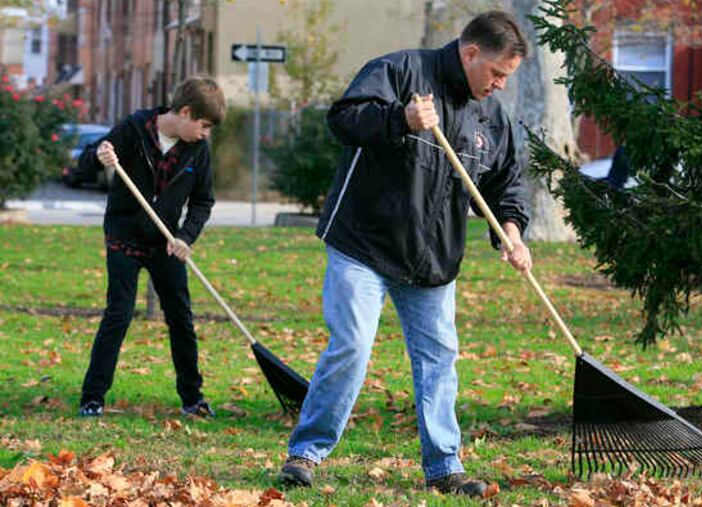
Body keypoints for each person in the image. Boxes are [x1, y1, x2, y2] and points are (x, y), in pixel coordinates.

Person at [277, 10, 532, 498]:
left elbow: (507, 186)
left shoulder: (491, 118)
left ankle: (444, 467)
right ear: (471, 52)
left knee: (439, 358)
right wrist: (402, 118)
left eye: (507, 77)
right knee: (352, 345)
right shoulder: (400, 72)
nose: (499, 85)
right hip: (364, 245)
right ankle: (306, 453)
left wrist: (512, 234)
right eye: (496, 73)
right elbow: (343, 119)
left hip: (433, 260)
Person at [78, 75, 225, 419]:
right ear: (185, 112)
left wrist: (186, 237)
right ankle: (92, 397)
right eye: (203, 125)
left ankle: (192, 398)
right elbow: (87, 159)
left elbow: (203, 202)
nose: (205, 134)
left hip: (166, 243)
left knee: (181, 318)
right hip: (124, 236)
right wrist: (100, 155)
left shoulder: (197, 151)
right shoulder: (133, 129)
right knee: (119, 314)